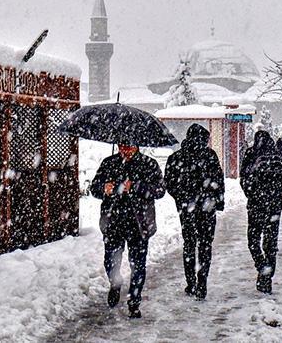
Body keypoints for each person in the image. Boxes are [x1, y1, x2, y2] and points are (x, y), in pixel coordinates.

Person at [90, 143, 166, 319]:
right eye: (122, 146)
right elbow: (94, 188)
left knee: (138, 264)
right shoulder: (109, 163)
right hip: (113, 222)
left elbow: (160, 190)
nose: (125, 150)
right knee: (110, 261)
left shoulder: (149, 164)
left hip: (139, 224)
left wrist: (137, 186)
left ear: (136, 146)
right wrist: (104, 188)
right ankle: (115, 283)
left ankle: (134, 301)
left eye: (129, 147)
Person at [165, 124, 225, 300]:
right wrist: (218, 202)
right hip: (207, 208)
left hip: (187, 209)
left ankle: (191, 282)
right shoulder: (210, 156)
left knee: (189, 244)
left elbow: (169, 182)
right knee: (205, 245)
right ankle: (202, 281)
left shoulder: (177, 157)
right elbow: (218, 181)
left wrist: (181, 198)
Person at [240, 131, 282, 294]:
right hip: (274, 206)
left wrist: (252, 195)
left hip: (256, 205)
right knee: (270, 243)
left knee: (253, 240)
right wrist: (276, 195)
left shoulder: (251, 153)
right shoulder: (278, 156)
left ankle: (262, 267)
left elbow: (244, 178)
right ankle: (266, 278)